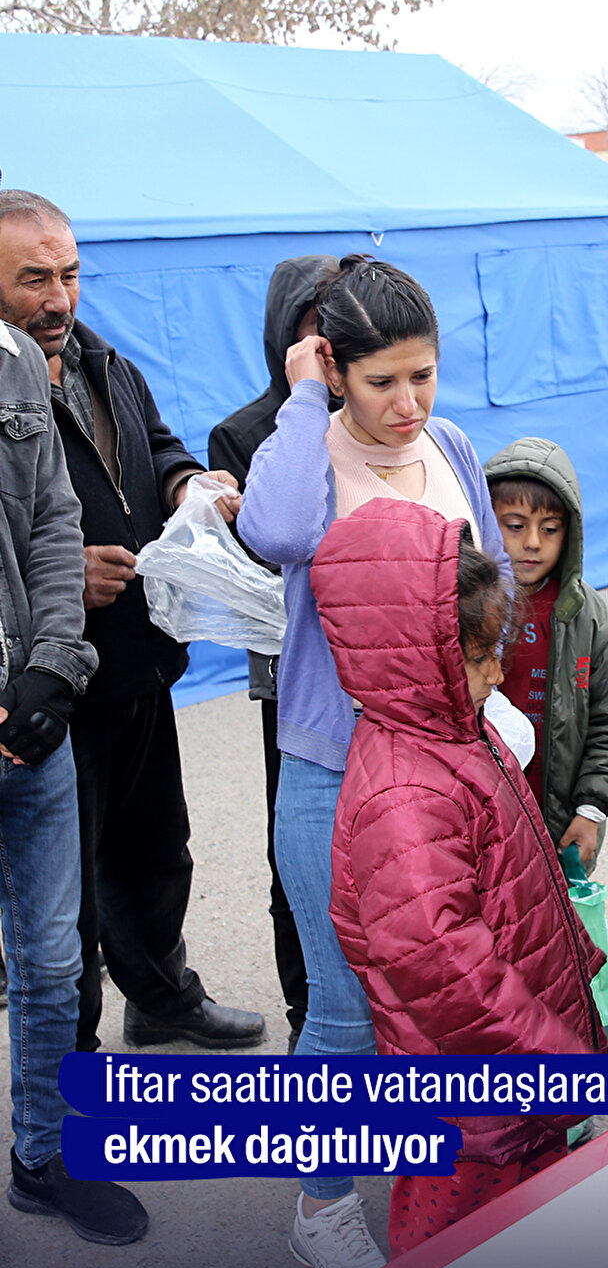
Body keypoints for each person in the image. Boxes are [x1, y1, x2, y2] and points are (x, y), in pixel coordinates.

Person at [237, 254, 509, 1268]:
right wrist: (306, 402)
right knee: (347, 1011)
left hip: (448, 768)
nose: (407, 404)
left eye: (423, 376)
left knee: (441, 996)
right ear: (332, 367)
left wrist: (501, 717)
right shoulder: (304, 457)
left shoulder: (452, 446)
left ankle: (431, 1181)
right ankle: (320, 1210)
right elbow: (275, 532)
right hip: (333, 771)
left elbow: (483, 591)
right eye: (381, 380)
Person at [0, 189, 264, 1054]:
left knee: (156, 853)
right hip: (49, 684)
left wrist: (190, 483)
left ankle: (159, 997)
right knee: (60, 897)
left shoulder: (101, 361)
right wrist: (59, 580)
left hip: (141, 662)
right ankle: (65, 1070)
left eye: (70, 275)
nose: (58, 299)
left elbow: (153, 444)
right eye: (32, 279)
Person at [310, 500, 608, 1258]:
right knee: (460, 1249)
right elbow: (449, 971)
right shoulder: (404, 795)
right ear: (411, 655)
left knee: (535, 1232)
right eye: (478, 657)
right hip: (475, 1099)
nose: (496, 671)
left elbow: (518, 881)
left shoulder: (454, 733)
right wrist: (558, 1060)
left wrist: (575, 963)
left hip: (514, 1070)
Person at [0, 303, 146, 1244]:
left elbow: (54, 519)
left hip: (31, 721)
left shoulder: (12, 359)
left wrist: (56, 661)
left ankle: (41, 1154)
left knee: (52, 962)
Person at [209, 254, 336, 1052]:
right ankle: (306, 1017)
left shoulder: (382, 410)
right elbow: (257, 558)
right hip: (290, 678)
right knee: (296, 855)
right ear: (283, 334)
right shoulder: (248, 429)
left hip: (377, 673)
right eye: (314, 327)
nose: (330, 344)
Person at [484, 437, 608, 872]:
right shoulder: (464, 606)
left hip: (557, 825)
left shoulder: (585, 615)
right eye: (514, 526)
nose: (533, 542)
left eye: (549, 529)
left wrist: (591, 810)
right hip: (478, 822)